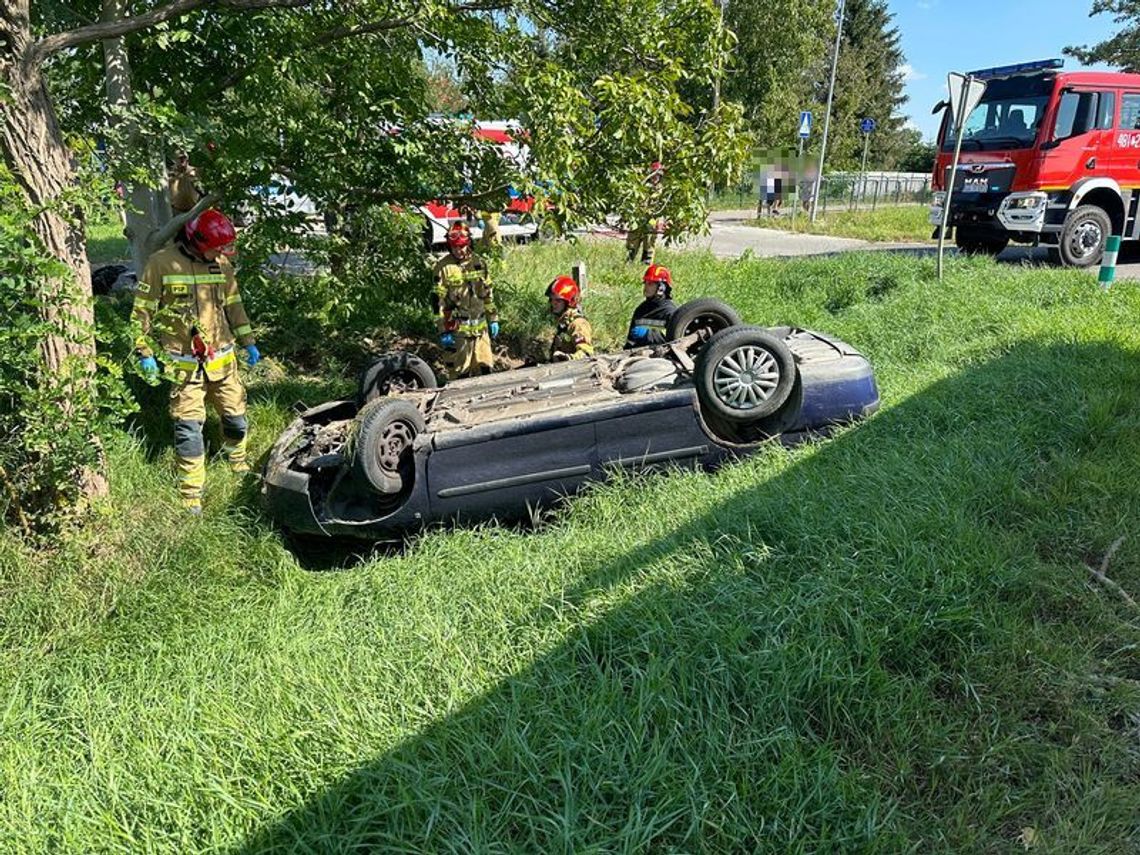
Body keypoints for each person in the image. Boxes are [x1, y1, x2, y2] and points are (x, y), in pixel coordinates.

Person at [130, 209, 261, 514]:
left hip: (223, 362)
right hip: (183, 365)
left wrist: (249, 342)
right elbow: (142, 311)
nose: (222, 253)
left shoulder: (221, 265)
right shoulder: (161, 263)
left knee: (236, 419)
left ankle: (237, 461)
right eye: (217, 247)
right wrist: (144, 351)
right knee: (188, 428)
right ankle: (191, 493)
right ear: (197, 241)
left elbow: (234, 305)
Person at [433, 221, 499, 378]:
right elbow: (437, 302)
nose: (458, 251)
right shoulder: (442, 268)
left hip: (481, 332)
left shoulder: (479, 263)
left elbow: (488, 295)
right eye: (454, 247)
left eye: (461, 246)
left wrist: (493, 319)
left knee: (485, 371)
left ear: (468, 243)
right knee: (461, 376)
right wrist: (443, 330)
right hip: (458, 334)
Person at [624, 264, 677, 349]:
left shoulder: (670, 312)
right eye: (645, 283)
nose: (645, 287)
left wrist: (648, 334)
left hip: (659, 358)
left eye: (650, 284)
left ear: (661, 288)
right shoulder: (641, 309)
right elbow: (630, 341)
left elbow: (674, 342)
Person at [625, 160, 664, 264]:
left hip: (651, 220)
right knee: (633, 242)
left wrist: (659, 222)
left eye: (658, 175)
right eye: (654, 175)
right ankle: (629, 262)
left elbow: (662, 209)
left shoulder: (661, 190)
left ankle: (645, 265)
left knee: (649, 242)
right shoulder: (642, 187)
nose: (655, 178)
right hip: (638, 219)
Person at [547, 275, 594, 361]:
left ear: (568, 302)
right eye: (551, 300)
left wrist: (569, 358)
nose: (553, 303)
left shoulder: (578, 324)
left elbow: (586, 353)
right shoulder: (564, 323)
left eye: (558, 300)